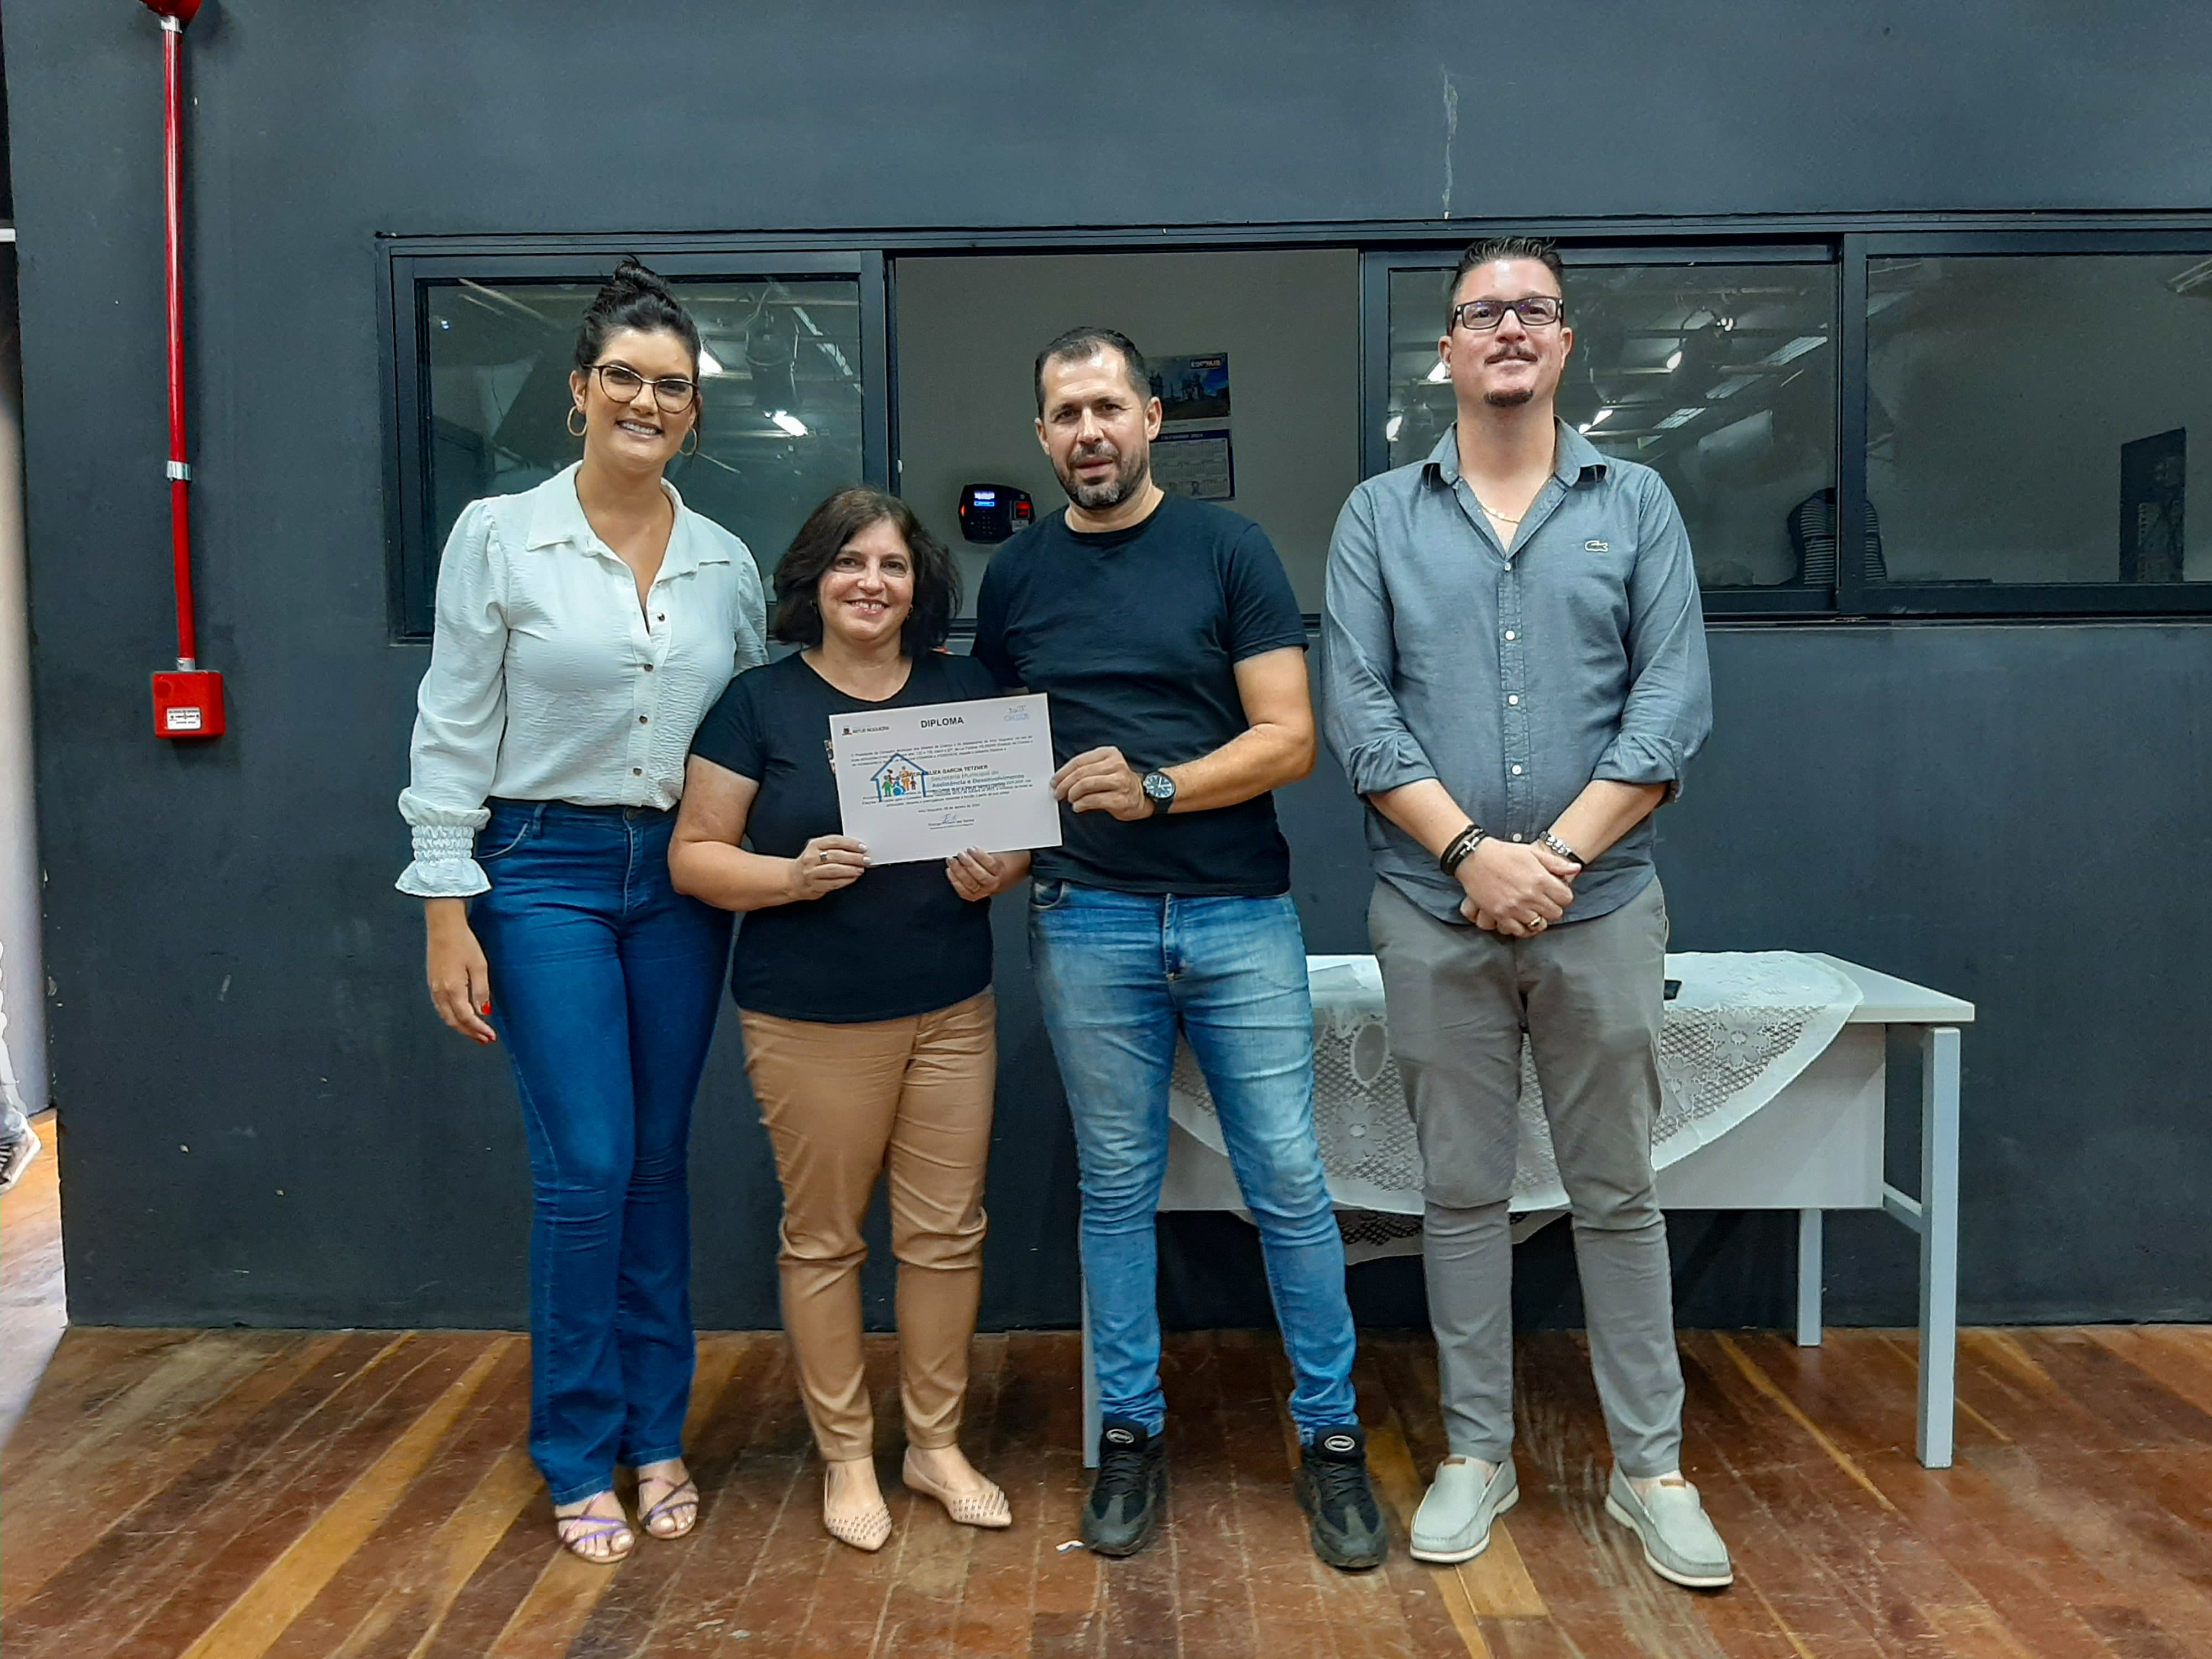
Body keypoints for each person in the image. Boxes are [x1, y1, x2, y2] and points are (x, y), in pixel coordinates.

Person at [1320, 236, 1730, 1589]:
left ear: (1562, 342)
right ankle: (1476, 1454)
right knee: (1458, 1196)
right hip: (1430, 909)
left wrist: (1545, 859)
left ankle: (1649, 1471)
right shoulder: (1377, 517)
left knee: (1616, 1194)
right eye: (1481, 312)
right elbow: (1358, 712)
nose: (1506, 329)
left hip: (1599, 904)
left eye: (1532, 311)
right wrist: (1467, 859)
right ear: (1443, 347)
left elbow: (1669, 706)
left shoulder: (1638, 503)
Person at [973, 328, 1387, 1570]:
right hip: (1082, 916)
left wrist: (1156, 789)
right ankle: (1128, 1435)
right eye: (1065, 414)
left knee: (1289, 1185)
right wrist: (988, 844)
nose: (1088, 431)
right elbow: (997, 757)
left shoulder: (1229, 548)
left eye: (1108, 407)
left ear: (1152, 419)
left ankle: (1331, 1441)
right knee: (1116, 1192)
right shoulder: (1016, 576)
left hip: (1235, 913)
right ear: (1042, 436)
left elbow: (1289, 739)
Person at [398, 260, 766, 1564]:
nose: (645, 402)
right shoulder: (501, 536)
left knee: (658, 1162)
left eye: (671, 386)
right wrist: (447, 906)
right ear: (578, 388)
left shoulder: (724, 562)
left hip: (676, 879)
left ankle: (656, 1435)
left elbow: (747, 734)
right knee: (589, 1164)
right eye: (623, 377)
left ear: (693, 409)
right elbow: (451, 727)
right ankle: (573, 1447)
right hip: (538, 868)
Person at [670, 488, 1027, 1552]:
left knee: (946, 1237)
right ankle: (845, 1459)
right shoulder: (758, 704)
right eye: (848, 562)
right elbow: (695, 858)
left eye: (893, 566)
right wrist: (789, 876)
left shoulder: (966, 690)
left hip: (953, 1009)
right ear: (812, 580)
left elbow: (1016, 836)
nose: (871, 583)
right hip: (811, 1019)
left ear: (920, 587)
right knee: (824, 1242)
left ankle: (934, 1446)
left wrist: (1000, 868)